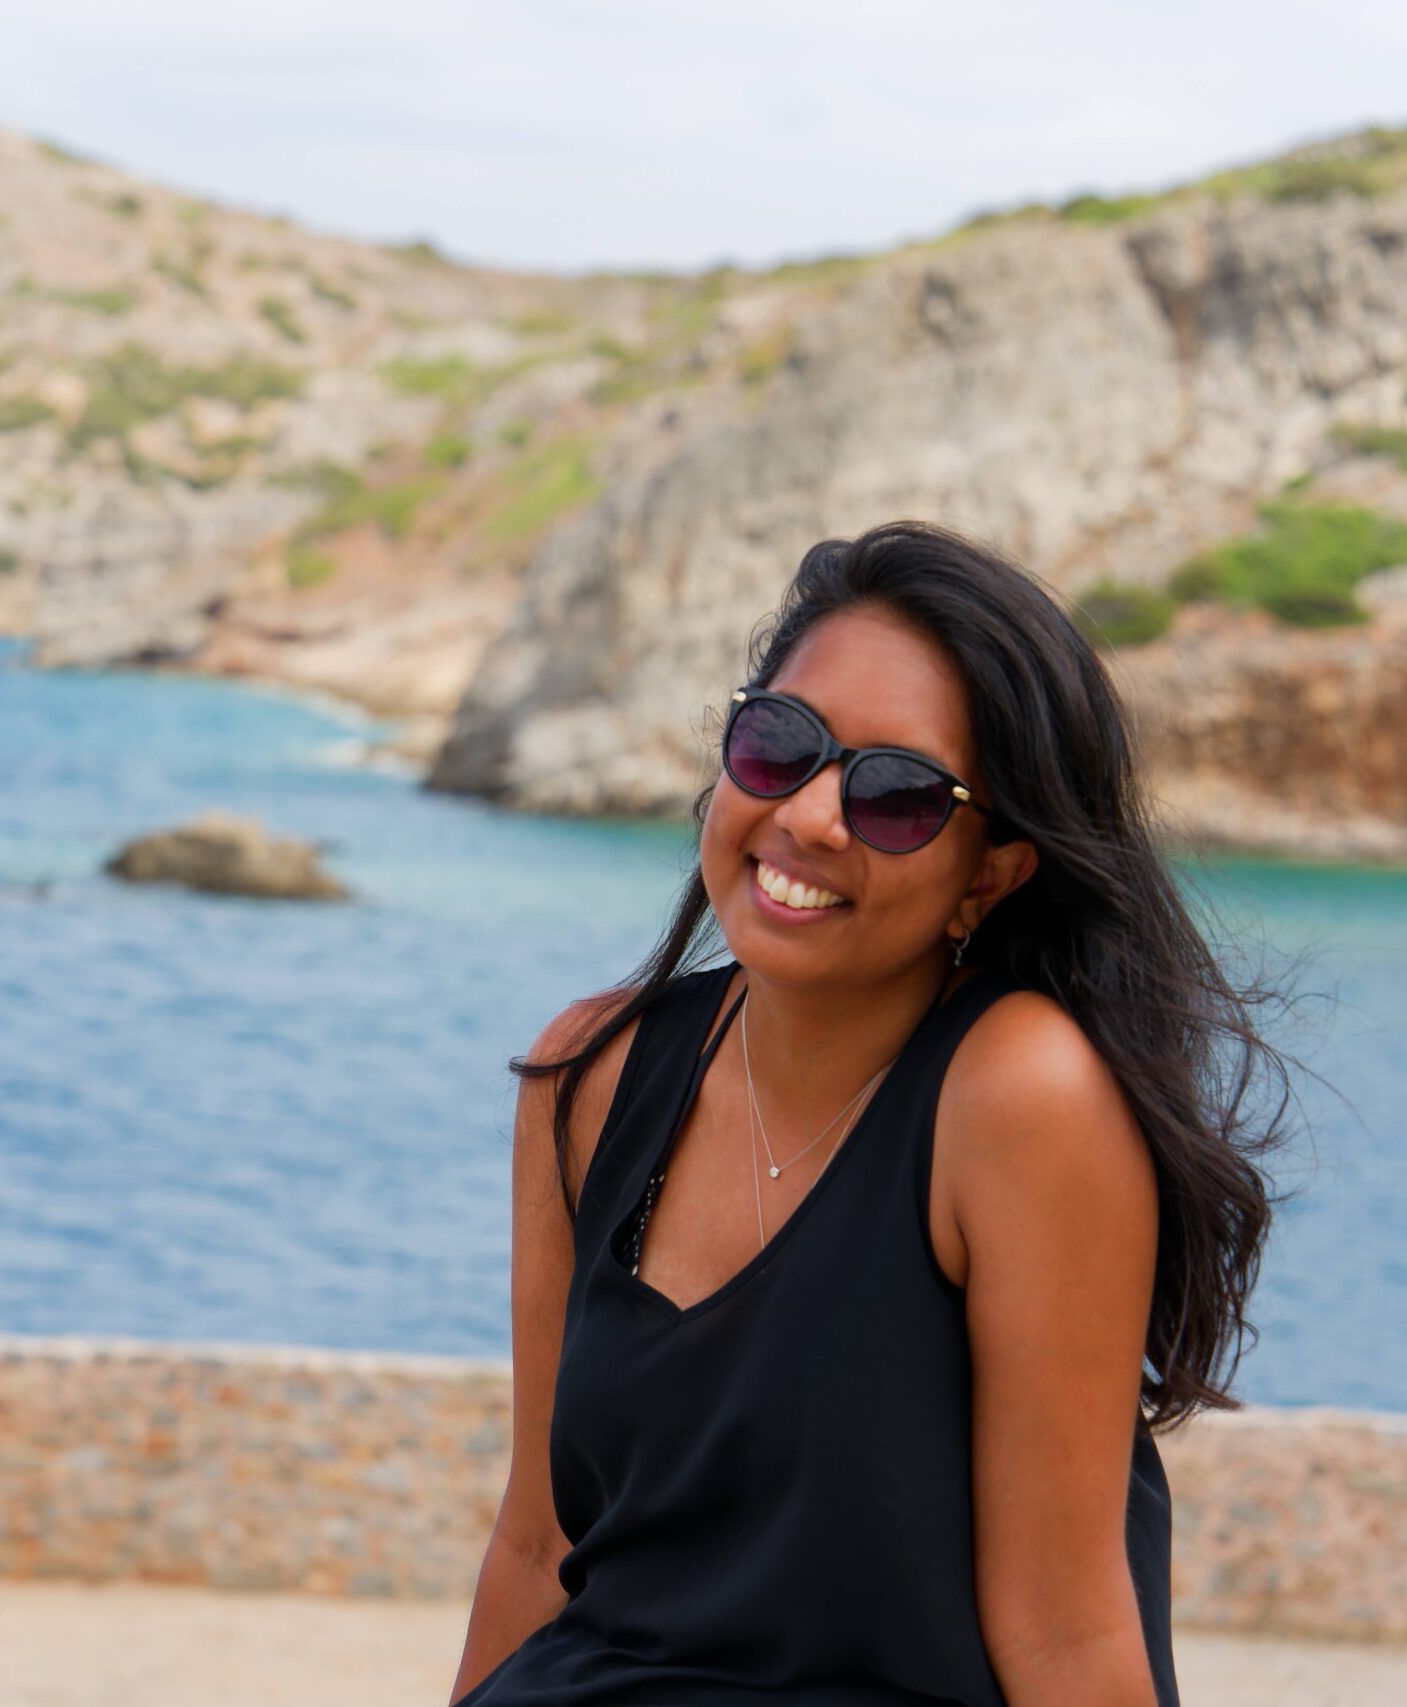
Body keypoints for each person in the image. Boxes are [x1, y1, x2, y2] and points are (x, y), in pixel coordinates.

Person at [447, 521, 1297, 1707]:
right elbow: (537, 1547)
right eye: (778, 745)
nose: (808, 816)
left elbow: (1064, 1634)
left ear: (990, 873)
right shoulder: (588, 1076)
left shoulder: (1018, 1098)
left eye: (896, 795)